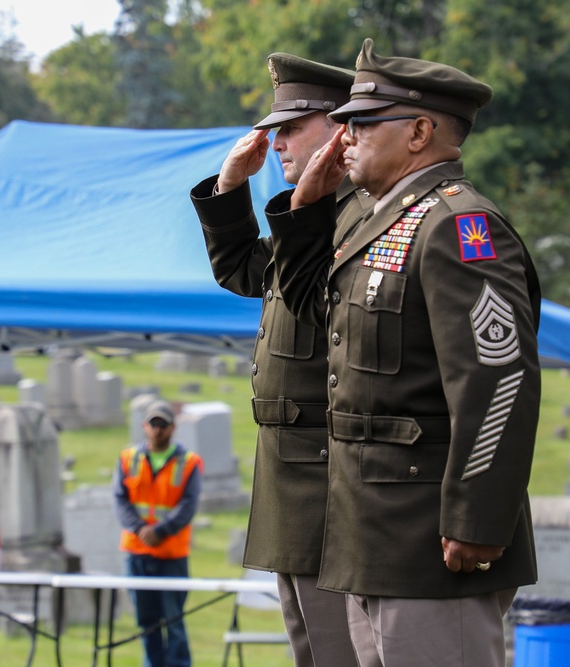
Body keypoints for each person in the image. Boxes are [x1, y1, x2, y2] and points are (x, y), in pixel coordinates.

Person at [267, 38, 542, 666]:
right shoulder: (380, 223)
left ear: (419, 132)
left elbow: (497, 381)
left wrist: (477, 517)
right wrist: (305, 210)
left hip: (430, 539)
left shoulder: (459, 227)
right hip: (370, 534)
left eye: (362, 121)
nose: (343, 134)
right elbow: (307, 309)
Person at [189, 52, 368, 667]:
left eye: (291, 127)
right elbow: (244, 270)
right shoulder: (323, 215)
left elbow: (309, 293)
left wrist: (301, 211)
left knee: (339, 650)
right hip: (290, 473)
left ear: (340, 127)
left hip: (327, 468)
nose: (277, 142)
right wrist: (231, 186)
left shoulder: (360, 216)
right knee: (312, 647)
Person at [113, 399, 203, 667]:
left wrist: (160, 532)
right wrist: (140, 529)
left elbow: (188, 505)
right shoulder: (128, 459)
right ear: (144, 426)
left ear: (173, 428)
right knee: (146, 622)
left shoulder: (189, 462)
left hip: (171, 554)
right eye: (153, 424)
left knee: (173, 621)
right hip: (136, 552)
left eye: (162, 424)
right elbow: (120, 500)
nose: (157, 429)